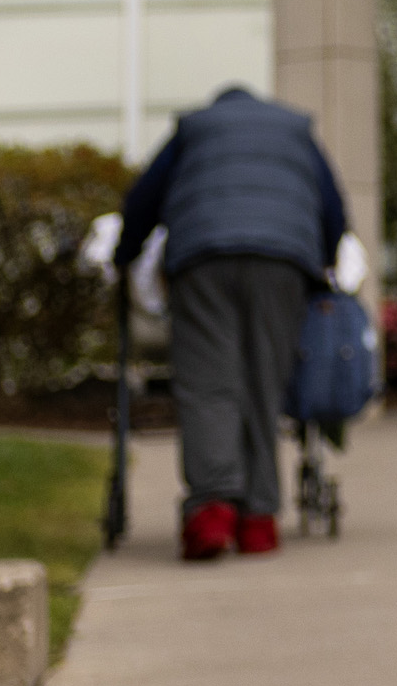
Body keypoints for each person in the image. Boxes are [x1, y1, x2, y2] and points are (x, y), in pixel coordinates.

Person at [113, 83, 354, 561]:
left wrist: (126, 255)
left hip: (203, 258)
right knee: (264, 384)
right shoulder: (297, 130)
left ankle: (212, 511)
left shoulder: (193, 129)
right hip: (283, 262)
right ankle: (259, 520)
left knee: (209, 384)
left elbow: (143, 200)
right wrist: (322, 265)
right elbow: (333, 207)